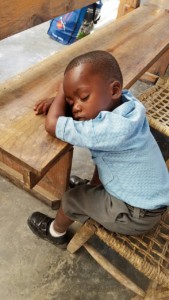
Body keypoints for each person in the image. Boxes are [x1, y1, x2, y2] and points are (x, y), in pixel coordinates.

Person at [27, 50, 169, 249]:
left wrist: (61, 92)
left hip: (135, 215)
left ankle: (55, 232)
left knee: (71, 199)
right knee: (102, 160)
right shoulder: (127, 105)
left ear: (114, 90)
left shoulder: (109, 130)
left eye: (83, 97)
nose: (75, 108)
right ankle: (93, 190)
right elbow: (90, 106)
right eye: (71, 102)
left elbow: (52, 125)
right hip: (148, 199)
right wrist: (65, 99)